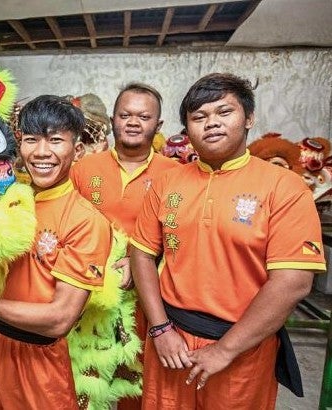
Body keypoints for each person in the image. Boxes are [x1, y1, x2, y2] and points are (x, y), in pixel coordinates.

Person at [130, 72, 326, 409]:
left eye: (224, 112)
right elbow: (142, 253)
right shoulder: (166, 183)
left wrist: (226, 349)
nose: (211, 124)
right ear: (186, 128)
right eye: (199, 117)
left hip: (243, 349)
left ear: (248, 117)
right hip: (170, 342)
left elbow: (293, 282)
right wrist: (160, 329)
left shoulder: (285, 187)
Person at [0, 95, 112, 409]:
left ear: (77, 150)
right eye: (31, 140)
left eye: (55, 140)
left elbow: (59, 319)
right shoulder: (7, 201)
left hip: (36, 360)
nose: (41, 153)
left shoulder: (86, 221)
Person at [70, 82, 180, 408]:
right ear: (113, 120)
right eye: (125, 114)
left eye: (143, 116)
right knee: (86, 384)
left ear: (158, 126)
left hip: (148, 301)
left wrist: (140, 260)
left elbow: (181, 240)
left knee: (137, 385)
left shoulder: (176, 175)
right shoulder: (83, 169)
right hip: (90, 297)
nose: (133, 122)